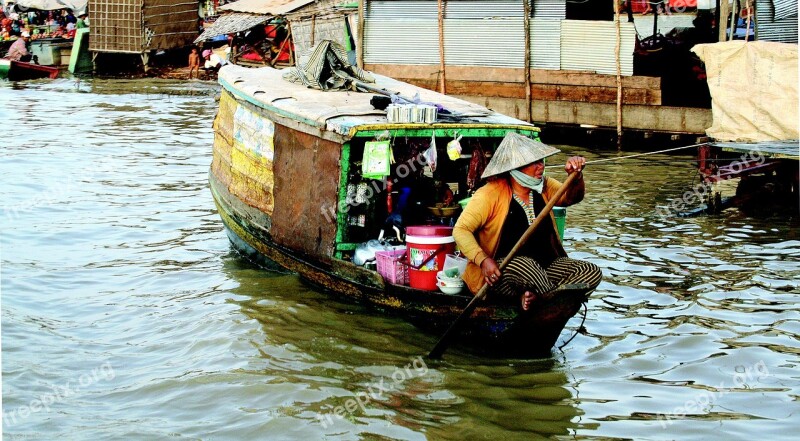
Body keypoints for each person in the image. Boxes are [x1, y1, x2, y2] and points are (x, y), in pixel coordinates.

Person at [453, 132, 602, 311]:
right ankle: (545, 302)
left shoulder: (543, 186)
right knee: (526, 266)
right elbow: (460, 230)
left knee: (590, 271)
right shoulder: (489, 194)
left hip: (546, 267)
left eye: (542, 162)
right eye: (535, 163)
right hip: (505, 271)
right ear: (517, 167)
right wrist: (483, 260)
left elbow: (571, 198)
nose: (541, 167)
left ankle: (540, 299)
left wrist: (576, 177)